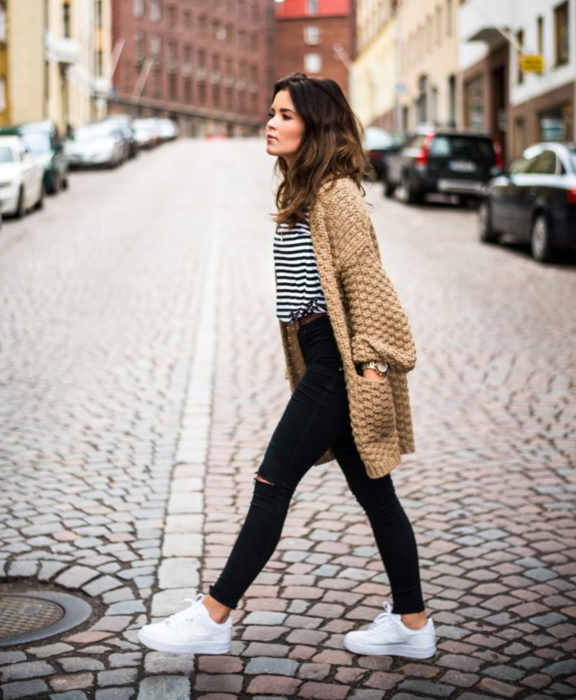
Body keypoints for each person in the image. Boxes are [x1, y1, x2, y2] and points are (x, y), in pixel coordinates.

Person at [138, 73, 436, 660]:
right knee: (378, 498)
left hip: (338, 365)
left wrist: (372, 368)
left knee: (272, 482)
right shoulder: (306, 190)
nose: (270, 123)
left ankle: (214, 614)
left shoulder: (338, 195)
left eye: (285, 115)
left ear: (315, 127)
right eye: (270, 112)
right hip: (322, 353)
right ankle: (412, 623)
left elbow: (369, 282)